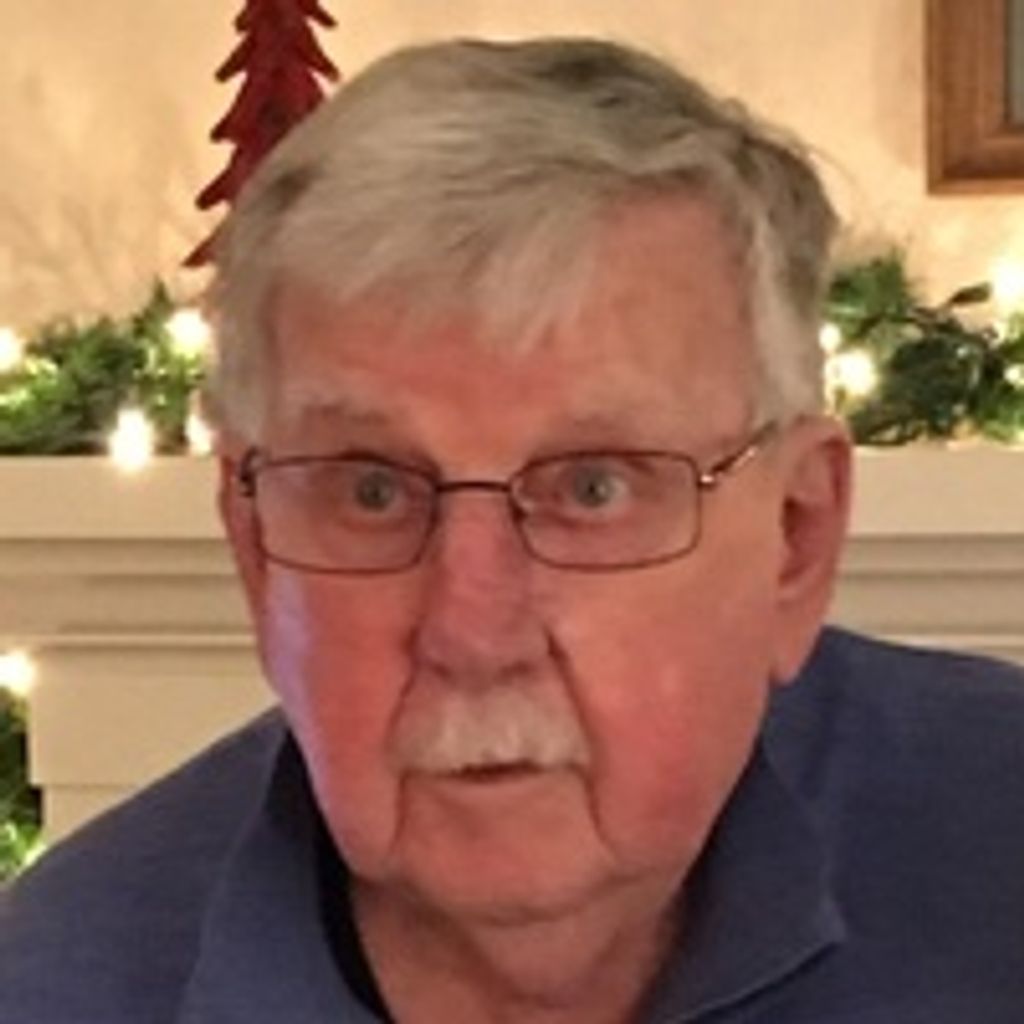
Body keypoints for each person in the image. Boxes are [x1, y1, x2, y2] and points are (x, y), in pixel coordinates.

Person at [3, 36, 1024, 1024]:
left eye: (594, 488)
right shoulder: (54, 985)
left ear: (796, 538)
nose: (473, 632)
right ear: (255, 546)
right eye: (371, 492)